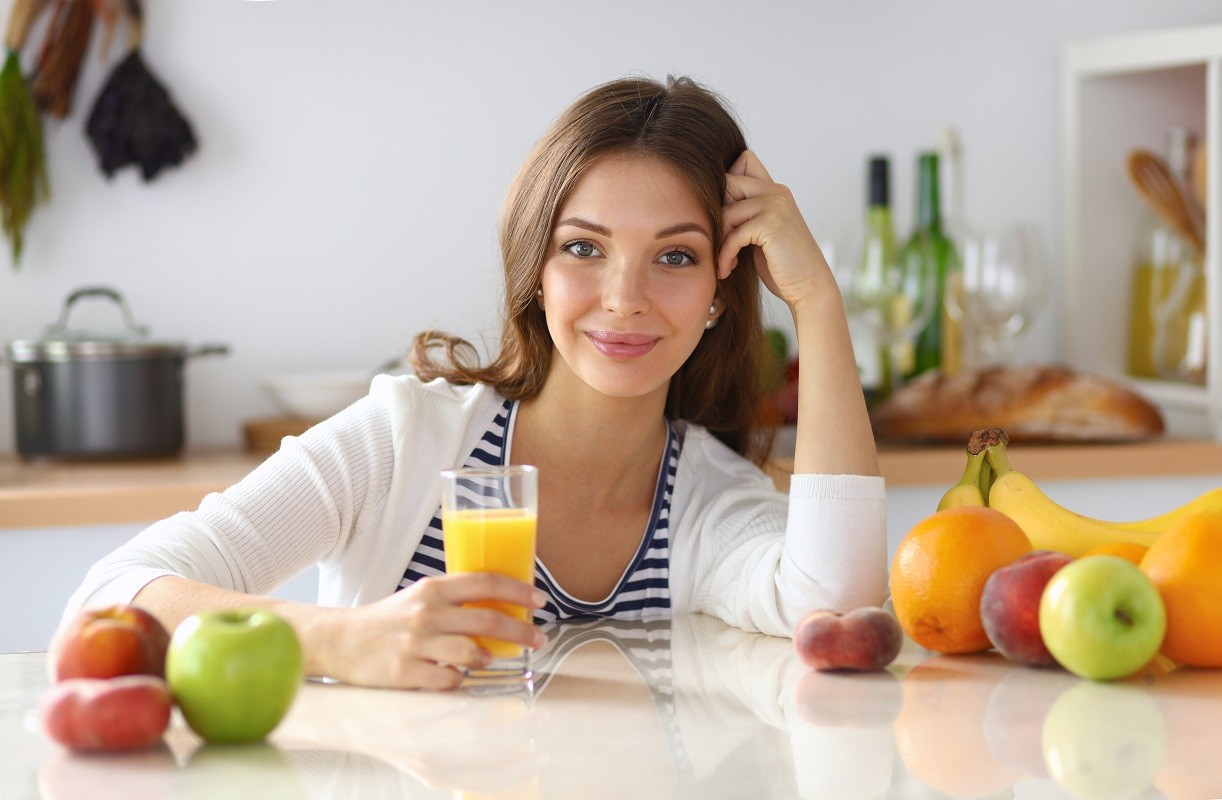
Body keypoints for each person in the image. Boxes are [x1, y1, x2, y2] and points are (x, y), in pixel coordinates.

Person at [62, 75, 887, 690]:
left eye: (675, 255)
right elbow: (109, 601)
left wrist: (817, 301)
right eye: (583, 248)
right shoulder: (403, 442)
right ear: (534, 269)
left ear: (718, 292)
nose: (623, 298)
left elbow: (838, 608)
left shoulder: (707, 500)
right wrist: (336, 640)